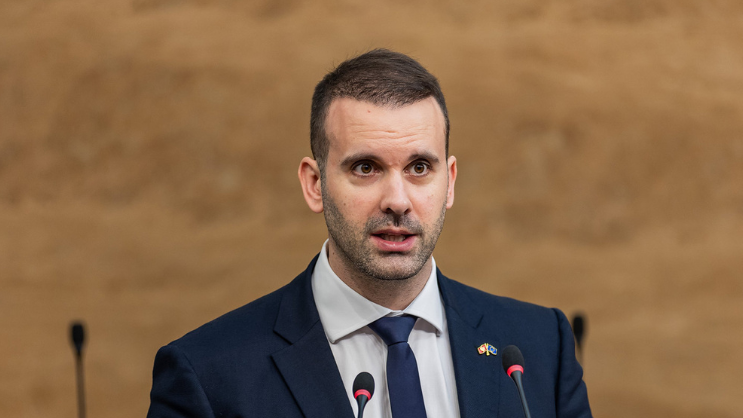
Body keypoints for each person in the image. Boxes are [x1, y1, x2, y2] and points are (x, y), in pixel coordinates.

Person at [147, 49, 592, 418]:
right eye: (365, 167)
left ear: (450, 182)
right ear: (315, 184)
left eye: (420, 167)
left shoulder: (539, 347)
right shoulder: (208, 374)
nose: (397, 201)